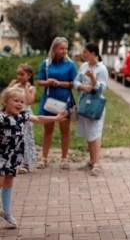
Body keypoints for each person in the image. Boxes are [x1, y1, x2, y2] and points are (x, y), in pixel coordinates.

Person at [0, 87, 67, 228]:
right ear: (5, 101)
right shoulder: (1, 118)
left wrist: (56, 118)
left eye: (22, 102)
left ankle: (7, 213)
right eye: (15, 100)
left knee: (9, 182)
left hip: (13, 156)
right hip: (1, 155)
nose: (19, 104)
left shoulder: (22, 115)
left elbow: (38, 118)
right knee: (1, 180)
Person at [36, 37, 78, 170]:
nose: (64, 51)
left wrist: (60, 83)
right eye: (61, 48)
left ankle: (64, 158)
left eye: (66, 48)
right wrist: (48, 82)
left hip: (65, 102)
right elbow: (39, 81)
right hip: (49, 102)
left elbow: (75, 83)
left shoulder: (70, 65)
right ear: (54, 48)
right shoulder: (46, 64)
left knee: (65, 131)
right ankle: (44, 158)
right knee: (48, 130)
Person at [73, 43, 109, 176]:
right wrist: (82, 87)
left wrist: (93, 79)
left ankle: (97, 164)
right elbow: (75, 81)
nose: (83, 54)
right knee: (89, 133)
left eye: (86, 52)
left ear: (94, 53)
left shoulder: (102, 69)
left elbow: (102, 89)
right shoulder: (83, 66)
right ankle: (91, 161)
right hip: (84, 103)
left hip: (95, 104)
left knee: (95, 133)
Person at [8, 64, 37, 173]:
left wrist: (25, 88)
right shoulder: (14, 86)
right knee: (14, 138)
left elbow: (29, 101)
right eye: (18, 74)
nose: (19, 76)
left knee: (26, 139)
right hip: (13, 115)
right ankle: (13, 161)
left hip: (25, 116)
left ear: (29, 75)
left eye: (22, 74)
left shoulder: (31, 88)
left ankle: (26, 163)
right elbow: (5, 97)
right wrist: (10, 86)